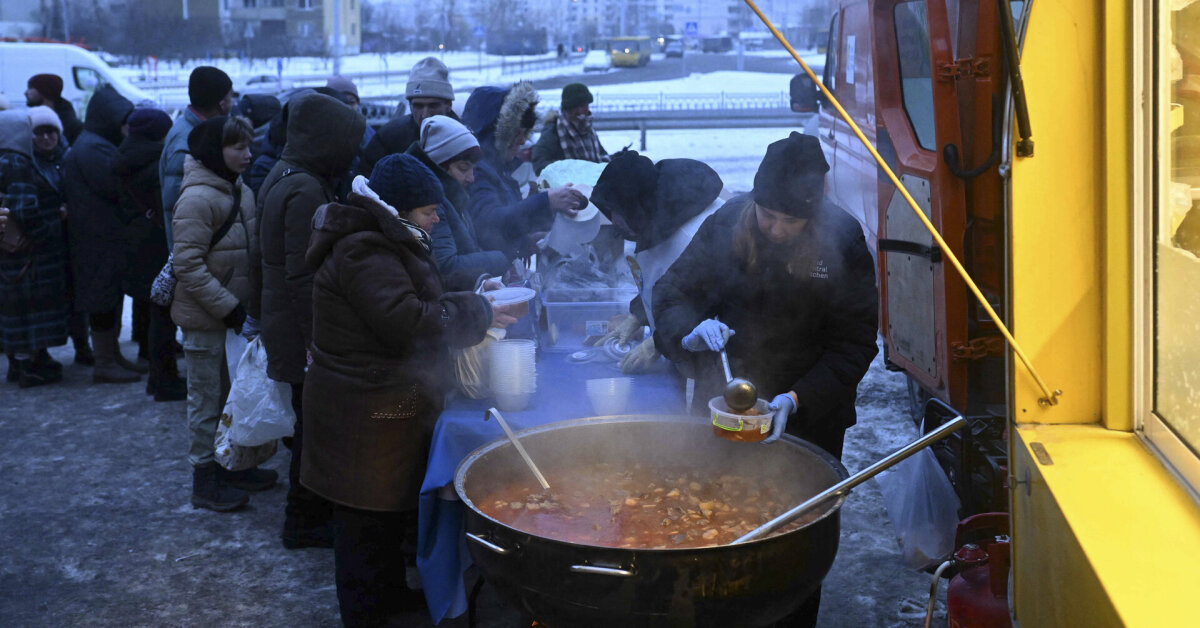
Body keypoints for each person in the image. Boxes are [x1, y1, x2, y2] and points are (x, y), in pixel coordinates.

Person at [652, 133, 878, 627]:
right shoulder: (728, 222)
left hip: (808, 417)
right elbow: (671, 293)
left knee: (793, 545)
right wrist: (689, 332)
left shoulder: (843, 240)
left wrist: (797, 399)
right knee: (714, 523)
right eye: (767, 214)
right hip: (722, 404)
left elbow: (856, 343)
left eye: (790, 220)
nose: (775, 229)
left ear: (812, 213)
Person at [300, 154, 516, 627]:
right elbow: (407, 321)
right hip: (361, 408)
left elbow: (419, 297)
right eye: (428, 211)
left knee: (383, 515)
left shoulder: (387, 238)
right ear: (397, 209)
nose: (437, 219)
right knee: (363, 519)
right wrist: (477, 312)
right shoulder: (364, 251)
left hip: (378, 399)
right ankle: (366, 615)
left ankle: (390, 597)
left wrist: (475, 295)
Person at [257, 91, 365, 549]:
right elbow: (303, 275)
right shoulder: (303, 188)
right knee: (314, 428)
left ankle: (307, 514)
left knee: (310, 423)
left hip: (286, 323)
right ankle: (302, 520)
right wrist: (317, 341)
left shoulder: (285, 172)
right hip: (300, 329)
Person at [170, 115, 275, 511]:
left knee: (236, 395)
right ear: (216, 152)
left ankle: (233, 466)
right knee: (206, 400)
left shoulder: (238, 187)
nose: (248, 154)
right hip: (206, 320)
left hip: (235, 318)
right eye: (238, 147)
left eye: (249, 145)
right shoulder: (198, 198)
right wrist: (229, 306)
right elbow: (188, 265)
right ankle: (204, 480)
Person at [590, 149, 725, 374]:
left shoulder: (692, 236)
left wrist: (659, 342)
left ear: (635, 206)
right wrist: (638, 316)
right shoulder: (649, 221)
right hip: (676, 346)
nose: (613, 219)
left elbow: (709, 305)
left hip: (709, 357)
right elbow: (660, 281)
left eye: (616, 211)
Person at [60, 84, 145, 384]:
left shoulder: (94, 143)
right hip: (95, 238)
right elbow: (115, 185)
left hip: (99, 235)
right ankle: (105, 362)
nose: (126, 128)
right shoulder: (93, 148)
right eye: (122, 121)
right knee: (102, 300)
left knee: (109, 297)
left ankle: (111, 356)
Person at [460, 81, 587, 258]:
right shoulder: (477, 172)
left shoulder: (497, 169)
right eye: (517, 133)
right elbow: (490, 224)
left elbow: (506, 228)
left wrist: (526, 241)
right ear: (497, 133)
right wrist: (547, 201)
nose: (522, 141)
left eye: (525, 133)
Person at [112, 107, 185, 401]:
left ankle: (158, 377)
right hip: (154, 243)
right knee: (163, 315)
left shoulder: (125, 156)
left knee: (155, 312)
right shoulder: (154, 162)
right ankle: (165, 379)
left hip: (136, 242)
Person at [0, 108, 70, 387]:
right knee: (29, 308)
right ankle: (28, 366)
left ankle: (22, 362)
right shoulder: (17, 162)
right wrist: (49, 230)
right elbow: (25, 208)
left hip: (10, 251)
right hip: (29, 253)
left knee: (16, 307)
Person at [404, 115, 509, 290]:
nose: (471, 178)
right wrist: (500, 259)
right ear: (439, 166)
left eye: (472, 169)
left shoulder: (453, 194)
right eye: (463, 168)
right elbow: (447, 265)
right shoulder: (431, 204)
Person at [159, 66, 234, 247]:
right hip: (196, 252)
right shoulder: (186, 143)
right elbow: (176, 211)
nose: (233, 103)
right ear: (221, 103)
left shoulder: (200, 133)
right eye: (231, 97)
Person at [359, 57, 457, 177]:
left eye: (433, 106)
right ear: (410, 105)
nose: (425, 114)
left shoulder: (465, 139)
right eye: (418, 106)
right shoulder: (388, 138)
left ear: (449, 105)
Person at [532, 82, 609, 175]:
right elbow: (539, 162)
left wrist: (608, 164)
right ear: (569, 108)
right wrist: (566, 171)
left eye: (586, 105)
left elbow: (601, 155)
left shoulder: (588, 129)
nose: (585, 110)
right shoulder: (553, 130)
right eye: (580, 106)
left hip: (594, 181)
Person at [25, 74, 83, 144]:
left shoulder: (72, 127)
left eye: (30, 88)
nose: (25, 93)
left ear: (44, 91)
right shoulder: (30, 119)